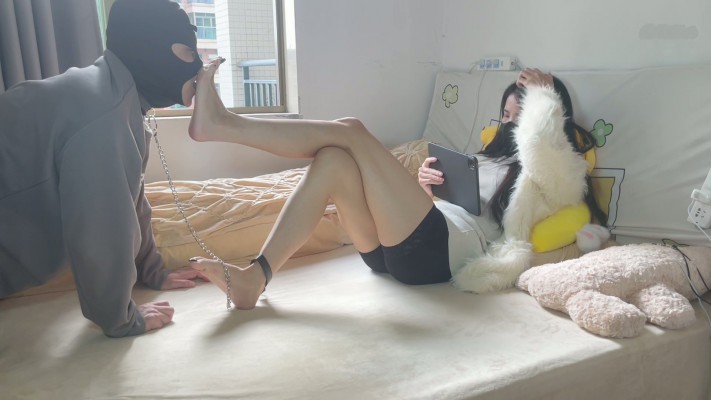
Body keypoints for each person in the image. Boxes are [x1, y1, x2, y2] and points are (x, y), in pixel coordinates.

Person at [188, 63, 605, 309]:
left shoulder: (556, 174)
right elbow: (453, 207)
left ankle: (224, 125)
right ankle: (255, 277)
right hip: (401, 248)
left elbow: (542, 144)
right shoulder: (486, 156)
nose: (508, 123)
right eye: (506, 115)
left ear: (547, 116)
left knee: (351, 130)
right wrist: (428, 188)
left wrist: (544, 94)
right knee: (333, 159)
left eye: (520, 115)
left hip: (438, 252)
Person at [0, 0, 208, 337]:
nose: (198, 68)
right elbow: (102, 223)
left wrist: (152, 271)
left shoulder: (112, 96)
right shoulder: (102, 113)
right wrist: (121, 316)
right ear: (150, 49)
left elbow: (129, 198)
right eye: (187, 52)